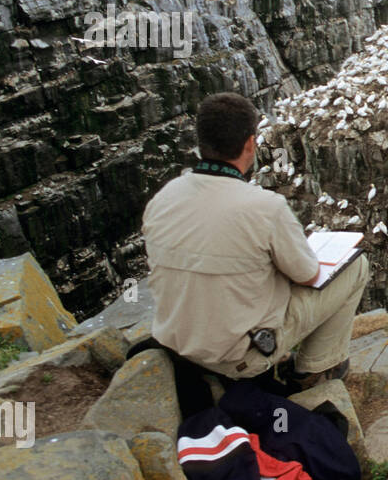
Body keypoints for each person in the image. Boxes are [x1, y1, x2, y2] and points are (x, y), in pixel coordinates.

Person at [142, 91, 368, 386]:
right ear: (250, 143)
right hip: (238, 358)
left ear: (201, 143)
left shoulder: (163, 198)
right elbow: (308, 275)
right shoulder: (265, 207)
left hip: (177, 347)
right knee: (356, 265)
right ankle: (315, 370)